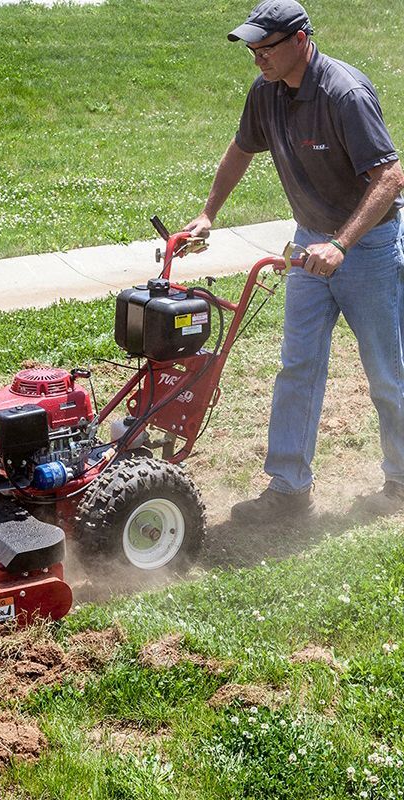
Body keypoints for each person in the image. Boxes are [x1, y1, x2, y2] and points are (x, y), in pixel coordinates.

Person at [185, 0, 404, 523]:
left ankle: (400, 479)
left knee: (386, 370)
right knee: (298, 365)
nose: (257, 58)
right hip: (310, 245)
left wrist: (342, 244)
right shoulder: (265, 93)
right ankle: (289, 489)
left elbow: (391, 177)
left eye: (265, 48)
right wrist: (208, 214)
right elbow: (241, 149)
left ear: (301, 40)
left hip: (368, 247)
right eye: (252, 50)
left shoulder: (344, 92)